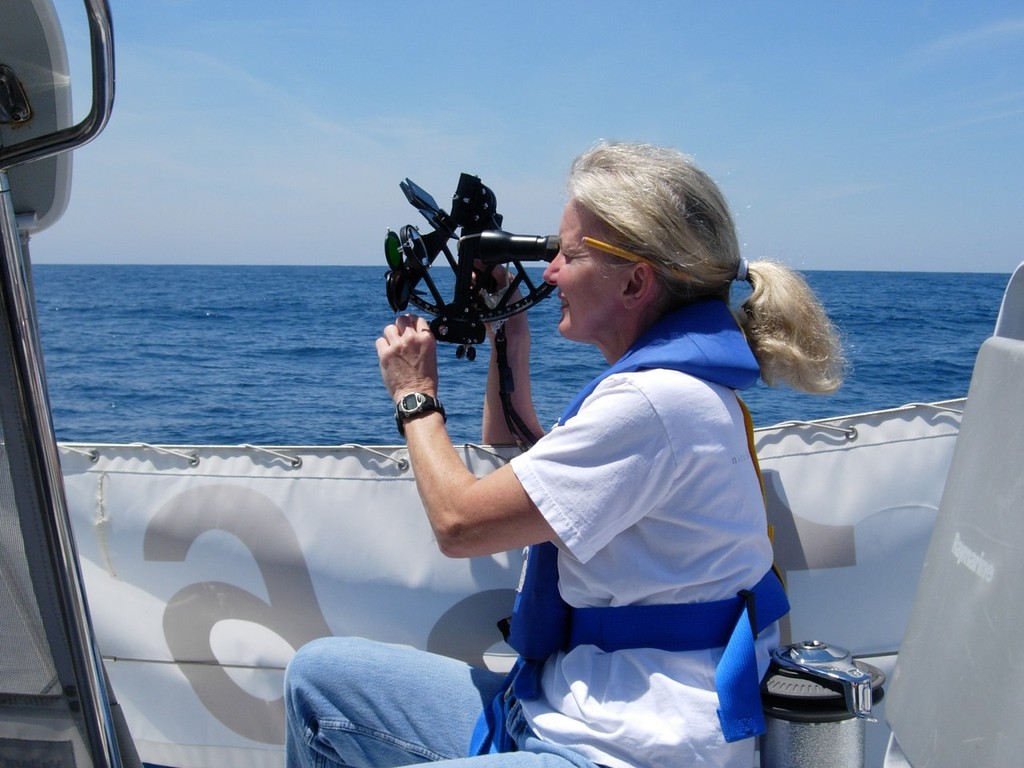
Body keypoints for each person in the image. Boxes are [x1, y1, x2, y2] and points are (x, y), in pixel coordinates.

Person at [284, 141, 844, 768]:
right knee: (317, 680)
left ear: (635, 281)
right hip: (558, 708)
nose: (549, 273)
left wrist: (415, 398)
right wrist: (509, 339)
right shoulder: (669, 395)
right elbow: (524, 467)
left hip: (623, 750)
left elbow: (461, 522)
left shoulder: (652, 403)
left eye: (569, 254)